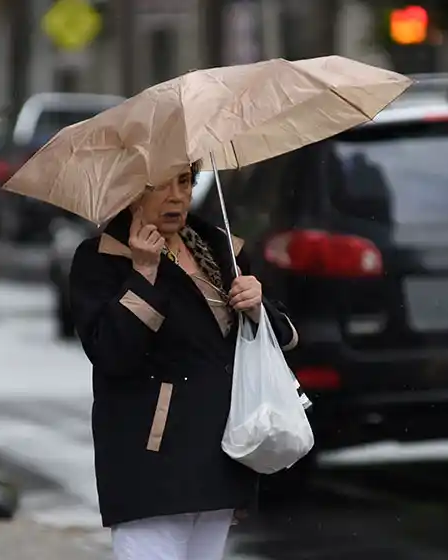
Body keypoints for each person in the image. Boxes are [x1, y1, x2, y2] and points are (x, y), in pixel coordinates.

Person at [68, 161, 299, 560]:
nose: (176, 196)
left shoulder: (220, 247)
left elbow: (282, 338)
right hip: (150, 462)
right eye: (160, 184)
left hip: (221, 454)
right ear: (132, 190)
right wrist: (144, 272)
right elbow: (111, 353)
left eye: (185, 181)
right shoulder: (101, 258)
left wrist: (258, 306)